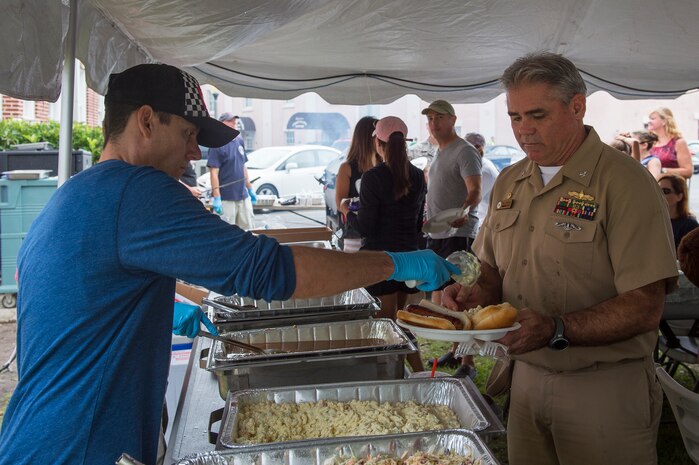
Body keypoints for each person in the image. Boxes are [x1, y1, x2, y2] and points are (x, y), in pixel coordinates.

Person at [0, 63, 459, 465]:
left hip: (43, 435)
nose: (196, 153)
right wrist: (394, 264)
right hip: (80, 446)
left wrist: (175, 309)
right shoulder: (136, 190)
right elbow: (267, 271)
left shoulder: (81, 194)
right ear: (146, 121)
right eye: (189, 135)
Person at [443, 52, 677, 465]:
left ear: (577, 106)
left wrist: (557, 328)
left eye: (537, 115)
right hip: (527, 377)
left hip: (603, 387)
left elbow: (645, 306)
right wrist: (468, 296)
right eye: (515, 117)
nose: (523, 131)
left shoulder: (625, 183)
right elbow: (492, 272)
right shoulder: (512, 180)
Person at [352, 116, 427, 372]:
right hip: (408, 258)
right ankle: (418, 372)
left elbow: (367, 226)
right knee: (400, 321)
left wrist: (348, 212)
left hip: (379, 260)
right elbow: (418, 222)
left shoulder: (373, 178)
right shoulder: (417, 176)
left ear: (378, 142)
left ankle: (395, 375)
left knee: (386, 326)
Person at [422, 100, 482, 379]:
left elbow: (475, 190)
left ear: (453, 119)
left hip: (458, 233)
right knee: (445, 295)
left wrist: (464, 212)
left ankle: (468, 361)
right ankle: (457, 349)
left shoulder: (465, 151)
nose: (433, 123)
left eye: (439, 117)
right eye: (430, 118)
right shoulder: (439, 150)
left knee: (460, 297)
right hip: (438, 232)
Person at [336, 116, 379, 252]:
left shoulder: (383, 165)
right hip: (354, 234)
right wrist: (351, 208)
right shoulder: (347, 168)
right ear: (368, 138)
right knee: (355, 270)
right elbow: (340, 204)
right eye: (377, 134)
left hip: (380, 233)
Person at [207, 113, 256, 228]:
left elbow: (243, 166)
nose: (234, 123)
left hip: (243, 196)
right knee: (226, 234)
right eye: (230, 121)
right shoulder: (216, 144)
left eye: (235, 121)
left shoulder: (239, 140)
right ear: (221, 123)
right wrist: (217, 197)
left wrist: (249, 188)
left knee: (248, 232)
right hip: (226, 199)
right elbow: (213, 173)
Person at [648, 107, 693, 180]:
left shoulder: (678, 142)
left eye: (653, 119)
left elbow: (688, 171)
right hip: (654, 187)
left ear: (664, 121)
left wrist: (662, 170)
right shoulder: (651, 142)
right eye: (649, 118)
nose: (649, 121)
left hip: (672, 187)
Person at [658, 173, 698, 250]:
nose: (660, 194)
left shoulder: (690, 225)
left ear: (679, 196)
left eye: (665, 191)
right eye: (657, 190)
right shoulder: (655, 220)